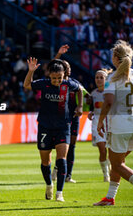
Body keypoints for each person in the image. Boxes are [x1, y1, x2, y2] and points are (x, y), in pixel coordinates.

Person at [24, 58, 83, 202]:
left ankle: (59, 193)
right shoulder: (43, 84)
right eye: (54, 78)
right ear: (49, 75)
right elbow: (27, 85)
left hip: (63, 126)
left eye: (60, 78)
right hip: (45, 126)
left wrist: (79, 106)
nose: (57, 81)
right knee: (46, 162)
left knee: (62, 159)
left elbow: (80, 89)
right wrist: (31, 71)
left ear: (64, 76)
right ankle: (49, 184)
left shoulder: (69, 84)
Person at [94, 40, 133, 206]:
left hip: (119, 126)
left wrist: (100, 121)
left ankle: (110, 197)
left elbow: (109, 101)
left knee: (116, 164)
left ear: (116, 58)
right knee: (119, 163)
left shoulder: (113, 77)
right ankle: (110, 198)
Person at [51, 45, 90, 183]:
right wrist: (58, 54)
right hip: (60, 118)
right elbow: (52, 66)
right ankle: (56, 168)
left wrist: (82, 107)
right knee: (61, 145)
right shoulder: (56, 82)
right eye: (66, 67)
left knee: (72, 145)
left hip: (73, 118)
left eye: (69, 67)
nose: (69, 69)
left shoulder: (74, 83)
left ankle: (68, 175)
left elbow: (86, 95)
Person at [88, 69, 113, 182]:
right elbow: (92, 108)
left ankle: (112, 168)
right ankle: (106, 174)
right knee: (102, 150)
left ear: (106, 79)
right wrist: (91, 112)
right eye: (97, 77)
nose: (98, 79)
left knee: (112, 151)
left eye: (101, 77)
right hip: (97, 123)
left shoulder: (111, 93)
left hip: (111, 122)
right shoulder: (93, 94)